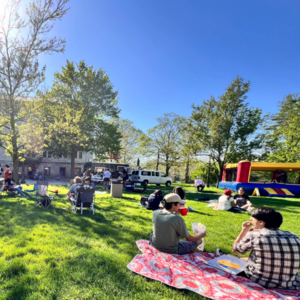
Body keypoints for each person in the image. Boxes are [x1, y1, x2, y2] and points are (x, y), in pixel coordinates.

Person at [233, 207, 300, 290]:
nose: (251, 219)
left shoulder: (255, 235)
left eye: (253, 218)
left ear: (261, 222)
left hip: (259, 281)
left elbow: (236, 250)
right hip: (288, 283)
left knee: (232, 257)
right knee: (244, 259)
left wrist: (244, 231)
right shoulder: (294, 237)